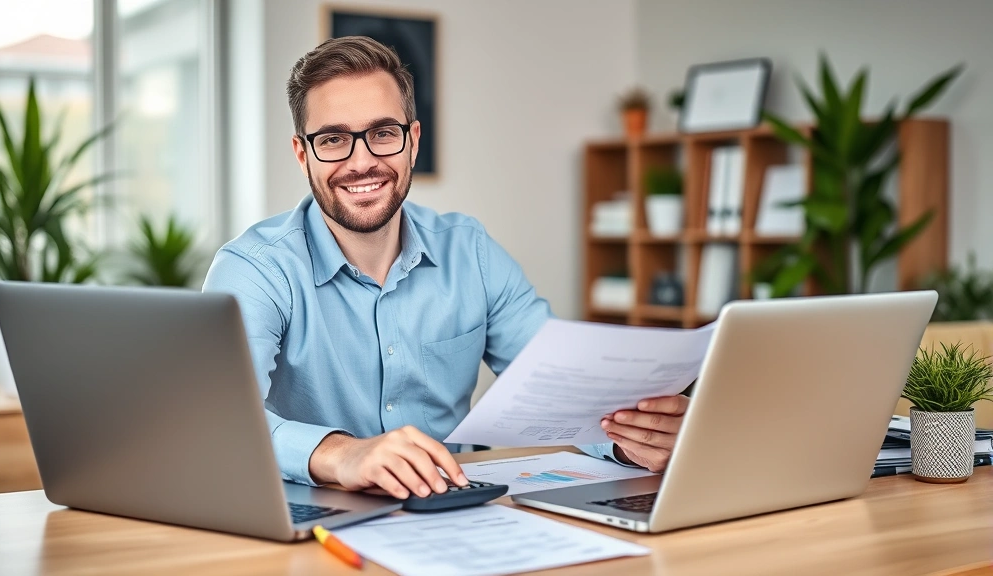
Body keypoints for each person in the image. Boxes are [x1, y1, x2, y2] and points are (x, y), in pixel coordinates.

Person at [203, 36, 689, 500]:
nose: (362, 161)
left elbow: (565, 389)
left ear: (412, 141)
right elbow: (216, 418)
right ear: (301, 153)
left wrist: (630, 439)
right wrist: (340, 454)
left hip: (455, 509)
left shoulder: (470, 252)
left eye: (382, 134)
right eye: (333, 139)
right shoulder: (254, 270)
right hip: (311, 521)